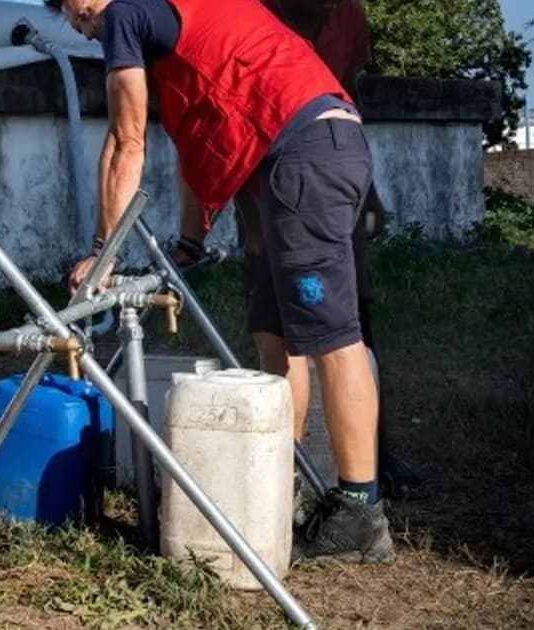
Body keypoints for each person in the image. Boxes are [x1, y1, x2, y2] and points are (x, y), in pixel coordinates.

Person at [48, 0, 393, 563]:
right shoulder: (175, 38)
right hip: (297, 158)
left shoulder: (126, 14)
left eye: (81, 14)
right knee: (274, 335)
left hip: (304, 153)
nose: (88, 32)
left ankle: (360, 512)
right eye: (78, 26)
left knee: (332, 337)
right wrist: (190, 242)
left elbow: (124, 140)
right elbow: (197, 146)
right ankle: (281, 481)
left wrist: (102, 253)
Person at [171, 0, 421, 498]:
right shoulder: (257, 10)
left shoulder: (348, 15)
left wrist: (368, 190)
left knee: (344, 327)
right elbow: (230, 116)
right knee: (275, 329)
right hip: (270, 180)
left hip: (326, 165)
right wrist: (249, 222)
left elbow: (345, 94)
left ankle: (366, 474)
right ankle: (285, 475)